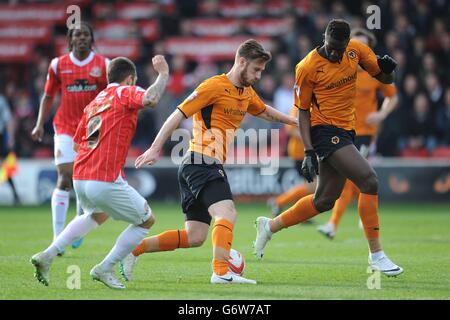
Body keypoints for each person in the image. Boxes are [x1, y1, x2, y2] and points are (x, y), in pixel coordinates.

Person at [124, 39, 298, 285]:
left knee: (195, 236)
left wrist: (295, 121)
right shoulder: (214, 86)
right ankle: (220, 272)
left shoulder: (246, 92)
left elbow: (266, 111)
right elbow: (178, 113)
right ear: (242, 62)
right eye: (256, 69)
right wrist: (155, 148)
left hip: (200, 163)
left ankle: (133, 249)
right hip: (201, 161)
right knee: (226, 212)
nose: (259, 75)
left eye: (262, 71)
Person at [253, 19, 403, 277]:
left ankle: (270, 226)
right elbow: (302, 111)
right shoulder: (308, 66)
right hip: (323, 131)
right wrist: (309, 150)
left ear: (347, 44)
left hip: (347, 130)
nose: (334, 53)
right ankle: (376, 254)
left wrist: (389, 71)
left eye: (339, 48)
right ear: (324, 38)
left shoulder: (356, 51)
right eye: (331, 47)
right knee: (369, 181)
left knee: (324, 200)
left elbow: (385, 79)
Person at [30, 55, 170, 289]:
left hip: (81, 176)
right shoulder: (123, 92)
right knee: (146, 221)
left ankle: (49, 253)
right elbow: (151, 98)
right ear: (130, 79)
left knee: (97, 215)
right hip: (103, 177)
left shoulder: (96, 102)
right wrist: (163, 73)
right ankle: (105, 268)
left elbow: (77, 144)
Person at [31, 22, 109, 252]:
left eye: (86, 34)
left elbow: (110, 96)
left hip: (93, 127)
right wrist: (38, 124)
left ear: (91, 38)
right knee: (65, 177)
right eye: (78, 35)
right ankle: (58, 237)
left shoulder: (102, 65)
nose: (82, 38)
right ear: (70, 39)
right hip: (64, 126)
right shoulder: (58, 65)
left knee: (85, 182)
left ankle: (78, 221)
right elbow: (48, 96)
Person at [317, 28, 398, 239]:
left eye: (362, 44)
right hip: (340, 130)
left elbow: (393, 96)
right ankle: (363, 216)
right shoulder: (340, 68)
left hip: (363, 132)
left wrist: (382, 114)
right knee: (350, 179)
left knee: (352, 178)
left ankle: (333, 224)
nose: (356, 49)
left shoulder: (374, 73)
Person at [266, 106, 316, 217]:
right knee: (313, 185)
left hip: (307, 151)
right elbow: (291, 130)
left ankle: (300, 212)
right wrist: (311, 137)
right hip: (301, 153)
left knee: (310, 185)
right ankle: (279, 201)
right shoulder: (297, 108)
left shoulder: (309, 106)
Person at [0, 93, 20, 204]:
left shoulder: (1, 101)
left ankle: (15, 194)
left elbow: (8, 120)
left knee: (4, 167)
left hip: (0, 136)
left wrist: (10, 138)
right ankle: (15, 194)